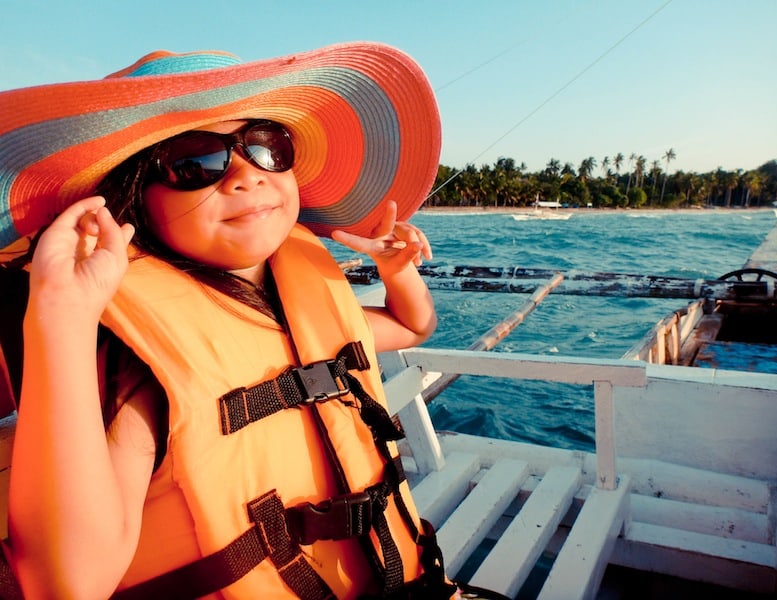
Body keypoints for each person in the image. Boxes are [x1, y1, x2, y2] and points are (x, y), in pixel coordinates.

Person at [0, 44, 458, 599]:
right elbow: (69, 585)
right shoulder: (140, 362)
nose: (246, 175)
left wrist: (396, 272)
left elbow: (412, 328)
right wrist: (63, 318)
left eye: (267, 146)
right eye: (196, 163)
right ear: (134, 202)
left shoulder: (295, 301)